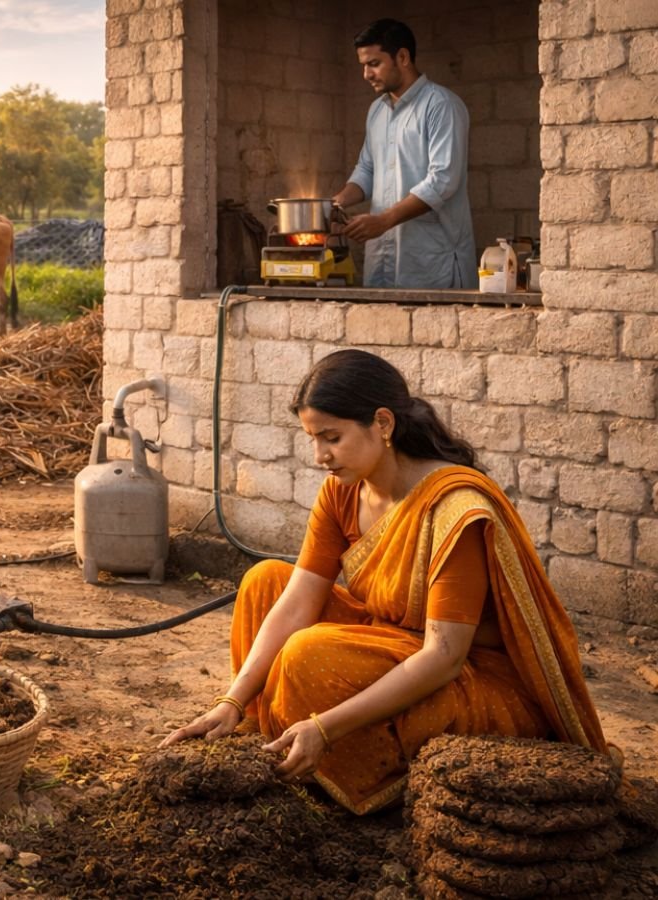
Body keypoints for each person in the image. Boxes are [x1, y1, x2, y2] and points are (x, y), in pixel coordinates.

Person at [161, 349, 607, 814]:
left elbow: (444, 656)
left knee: (306, 655)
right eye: (313, 439)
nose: (320, 456)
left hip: (469, 682)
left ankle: (350, 764)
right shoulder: (342, 491)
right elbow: (296, 602)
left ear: (383, 423)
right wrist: (232, 701)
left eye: (332, 438)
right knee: (265, 581)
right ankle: (282, 735)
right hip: (391, 644)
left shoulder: (454, 509)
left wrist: (327, 727)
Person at [331, 19, 478, 290]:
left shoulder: (441, 105)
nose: (366, 74)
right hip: (382, 260)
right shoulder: (376, 111)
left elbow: (443, 181)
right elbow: (367, 170)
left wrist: (383, 221)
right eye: (363, 65)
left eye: (374, 63)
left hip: (432, 263)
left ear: (402, 57)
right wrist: (333, 206)